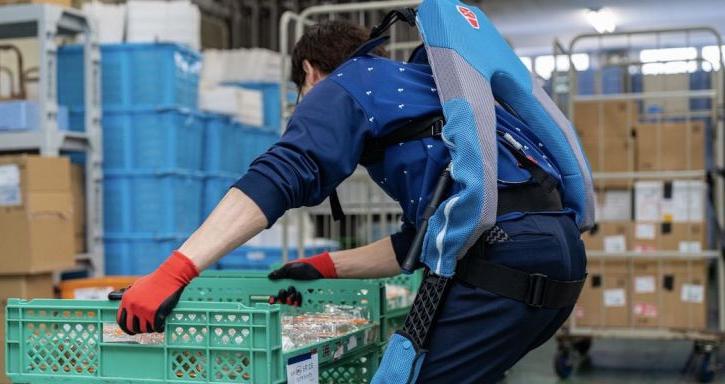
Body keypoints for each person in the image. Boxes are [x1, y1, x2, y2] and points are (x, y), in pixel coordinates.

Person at [115, 19, 588, 383]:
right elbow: (424, 240)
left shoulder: (347, 81)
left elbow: (278, 174)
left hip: (503, 257)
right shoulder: (426, 93)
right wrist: (323, 266)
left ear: (309, 72)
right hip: (558, 261)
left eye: (301, 94)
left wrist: (174, 271)